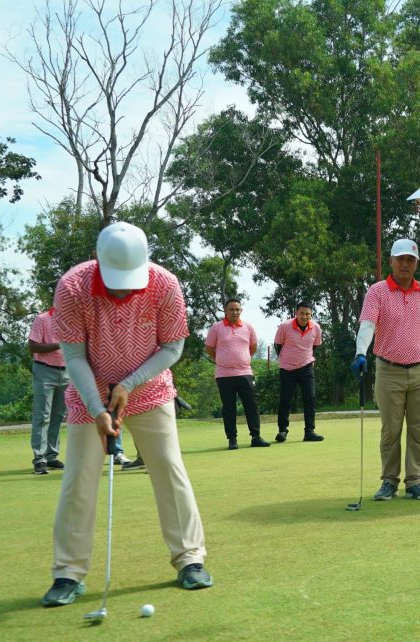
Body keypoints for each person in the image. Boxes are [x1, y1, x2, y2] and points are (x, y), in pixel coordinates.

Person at [41, 222, 212, 608]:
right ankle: (67, 571)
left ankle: (190, 559)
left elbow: (172, 348)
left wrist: (129, 383)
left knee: (169, 470)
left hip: (150, 389)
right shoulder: (72, 286)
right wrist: (97, 407)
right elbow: (73, 356)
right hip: (89, 392)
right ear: (97, 261)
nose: (122, 290)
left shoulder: (165, 284)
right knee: (78, 479)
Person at [352, 238, 420, 501]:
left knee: (419, 428)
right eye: (400, 259)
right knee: (391, 429)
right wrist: (361, 352)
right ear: (391, 261)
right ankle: (389, 481)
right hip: (389, 370)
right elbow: (367, 324)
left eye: (410, 259)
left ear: (416, 263)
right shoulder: (377, 292)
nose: (405, 264)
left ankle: (415, 481)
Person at [205, 299, 270, 450]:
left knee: (251, 405)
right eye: (231, 309)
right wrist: (220, 359)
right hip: (224, 375)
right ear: (225, 310)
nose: (235, 312)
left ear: (241, 311)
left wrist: (242, 359)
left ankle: (256, 436)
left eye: (237, 309)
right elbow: (208, 348)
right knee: (229, 408)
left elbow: (253, 347)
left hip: (245, 372)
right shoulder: (217, 327)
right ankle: (232, 439)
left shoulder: (248, 327)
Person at [28, 307, 70, 475]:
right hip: (45, 370)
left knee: (58, 416)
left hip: (66, 372)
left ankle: (51, 456)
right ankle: (39, 459)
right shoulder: (43, 319)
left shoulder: (72, 320)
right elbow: (33, 347)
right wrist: (60, 345)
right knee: (42, 415)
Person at [274, 301, 323, 442]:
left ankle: (309, 431)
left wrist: (308, 358)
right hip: (287, 368)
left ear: (311, 314)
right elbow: (278, 345)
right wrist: (286, 359)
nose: (304, 316)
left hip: (306, 367)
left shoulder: (316, 328)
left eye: (307, 314)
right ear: (296, 313)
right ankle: (282, 431)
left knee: (310, 399)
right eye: (301, 313)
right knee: (285, 400)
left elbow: (315, 346)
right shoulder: (285, 326)